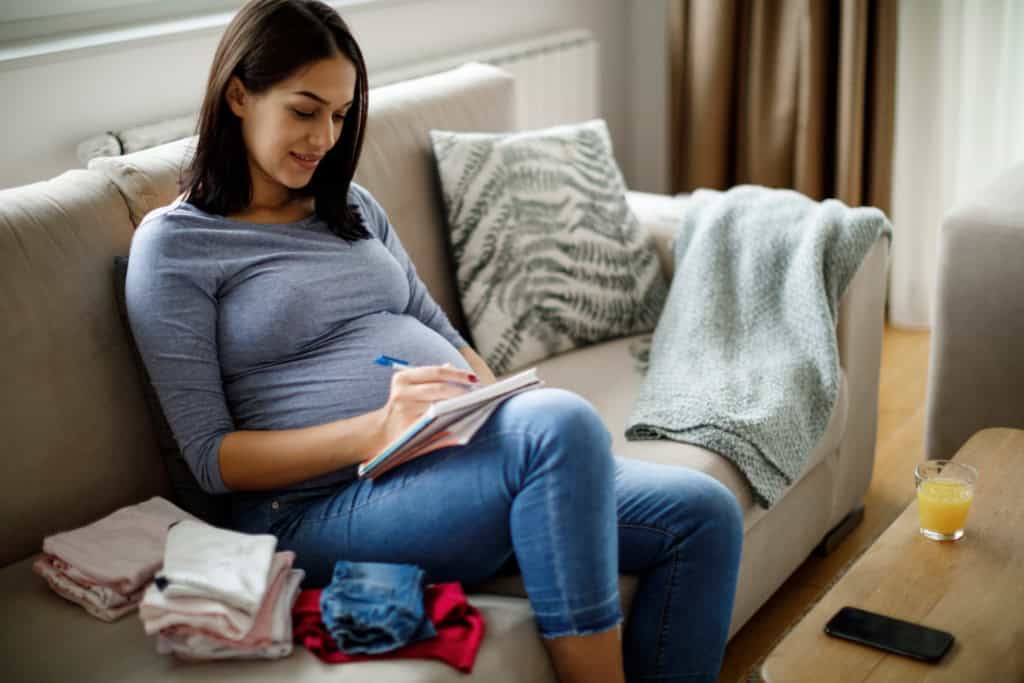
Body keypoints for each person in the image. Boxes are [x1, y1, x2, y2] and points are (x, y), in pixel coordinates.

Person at [125, 1, 743, 681]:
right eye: (304, 111)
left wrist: (491, 405)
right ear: (239, 94)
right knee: (561, 425)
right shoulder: (176, 245)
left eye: (339, 114)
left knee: (704, 515)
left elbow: (438, 327)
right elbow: (213, 459)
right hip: (311, 509)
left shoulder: (351, 208)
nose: (324, 138)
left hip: (452, 457)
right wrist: (378, 428)